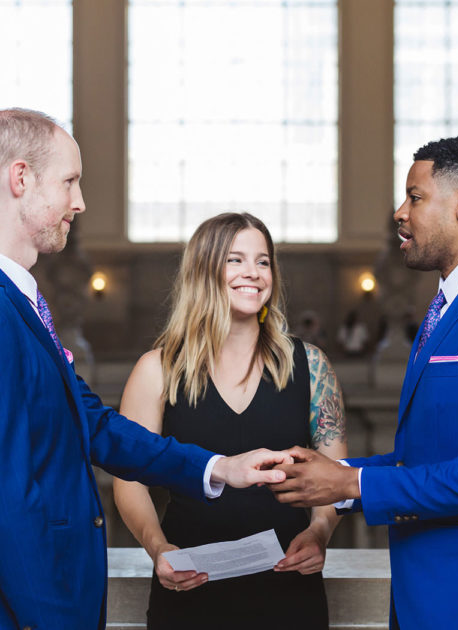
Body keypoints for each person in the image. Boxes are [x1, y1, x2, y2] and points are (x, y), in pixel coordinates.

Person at [0, 108, 292, 629]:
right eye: (69, 181)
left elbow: (93, 425)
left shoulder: (7, 302)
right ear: (20, 179)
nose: (80, 202)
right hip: (7, 613)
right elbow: (3, 505)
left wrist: (217, 468)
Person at [269, 136, 458, 629]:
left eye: (415, 196)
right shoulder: (446, 305)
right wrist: (331, 478)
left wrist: (352, 482)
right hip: (428, 596)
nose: (399, 213)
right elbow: (429, 456)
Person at [113, 212, 346, 629]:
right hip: (188, 588)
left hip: (288, 590)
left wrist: (319, 533)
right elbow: (129, 480)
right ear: (204, 270)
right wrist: (159, 548)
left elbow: (335, 478)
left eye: (263, 261)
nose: (253, 273)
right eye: (235, 260)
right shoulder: (158, 369)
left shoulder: (311, 365)